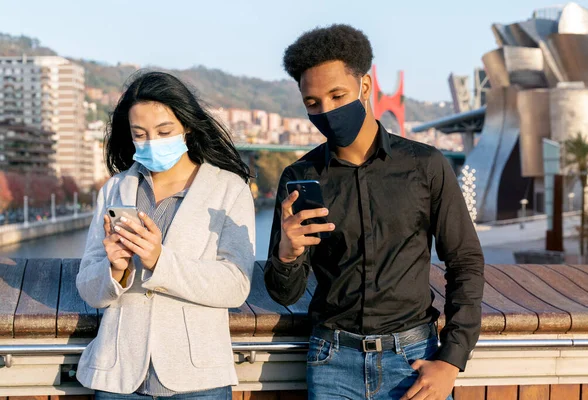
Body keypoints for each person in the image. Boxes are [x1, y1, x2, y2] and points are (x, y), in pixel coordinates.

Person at [264, 24, 484, 400]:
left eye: (337, 95)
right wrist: (287, 255)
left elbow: (464, 261)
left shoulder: (425, 166)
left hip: (415, 361)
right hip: (331, 363)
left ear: (365, 88)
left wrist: (451, 359)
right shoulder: (299, 178)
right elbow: (285, 293)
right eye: (313, 103)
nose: (327, 111)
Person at [76, 71, 255, 400]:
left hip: (197, 381)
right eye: (139, 134)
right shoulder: (115, 189)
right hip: (119, 379)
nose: (151, 142)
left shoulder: (228, 189)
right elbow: (89, 288)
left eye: (164, 131)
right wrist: (115, 269)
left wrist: (160, 260)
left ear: (187, 125)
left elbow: (236, 285)